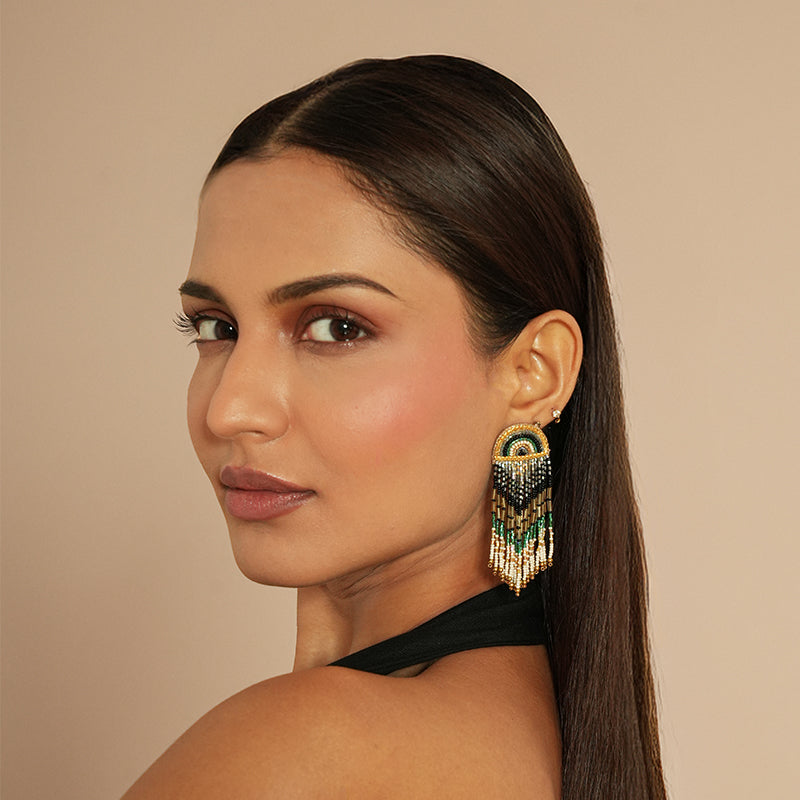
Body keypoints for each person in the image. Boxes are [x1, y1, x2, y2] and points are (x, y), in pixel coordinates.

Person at [123, 55, 666, 799]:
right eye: (217, 325)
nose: (231, 409)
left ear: (533, 374)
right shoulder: (544, 728)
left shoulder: (301, 750)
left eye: (337, 327)